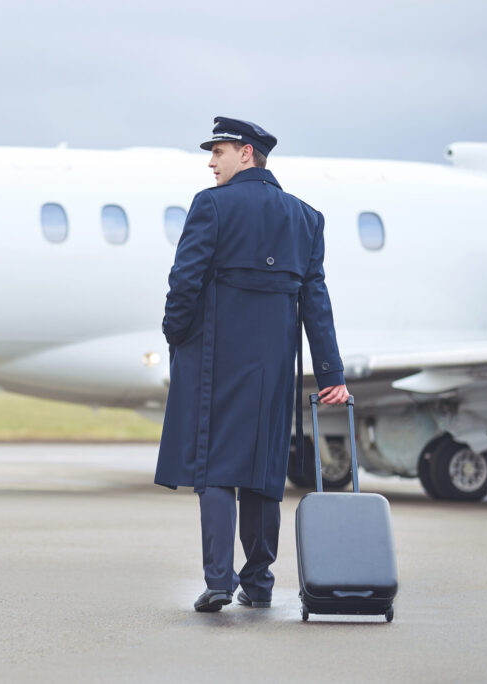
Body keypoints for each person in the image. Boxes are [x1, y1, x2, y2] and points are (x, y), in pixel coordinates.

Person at [156, 117, 349, 613]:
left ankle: (218, 580)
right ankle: (259, 582)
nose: (210, 162)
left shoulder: (211, 204)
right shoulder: (307, 218)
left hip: (213, 357)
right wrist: (331, 375)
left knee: (215, 468)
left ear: (246, 153)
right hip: (273, 366)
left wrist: (176, 334)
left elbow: (185, 280)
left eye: (217, 151)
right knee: (264, 471)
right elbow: (316, 302)